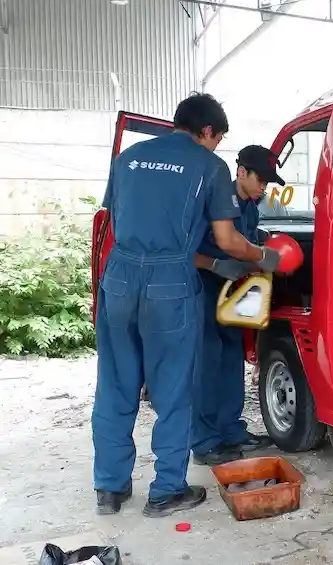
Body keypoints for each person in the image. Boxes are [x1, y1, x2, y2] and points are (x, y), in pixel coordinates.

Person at [91, 93, 282, 518]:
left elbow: (116, 221)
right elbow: (230, 240)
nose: (217, 147)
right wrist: (264, 256)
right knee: (174, 387)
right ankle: (165, 491)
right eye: (218, 139)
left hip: (119, 277)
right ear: (208, 131)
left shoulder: (129, 158)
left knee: (115, 384)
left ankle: (110, 488)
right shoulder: (208, 166)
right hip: (168, 280)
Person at [190, 145, 283, 466]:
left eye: (268, 183)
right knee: (206, 362)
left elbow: (245, 243)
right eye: (261, 180)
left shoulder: (251, 207)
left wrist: (261, 247)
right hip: (200, 286)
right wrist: (214, 264)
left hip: (232, 291)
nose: (264, 188)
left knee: (231, 356)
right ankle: (204, 442)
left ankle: (231, 431)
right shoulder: (211, 200)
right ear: (241, 172)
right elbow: (182, 251)